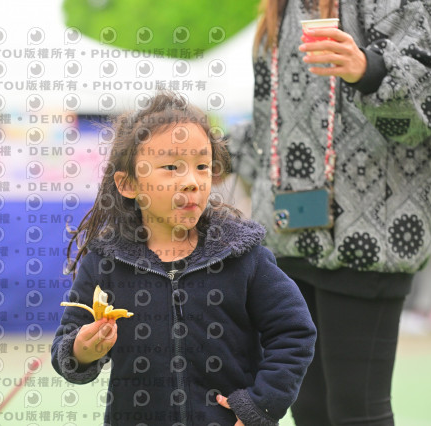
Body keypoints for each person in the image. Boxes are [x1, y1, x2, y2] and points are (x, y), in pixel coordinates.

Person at [51, 92, 317, 426]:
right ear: (129, 184)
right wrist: (82, 350)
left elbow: (294, 332)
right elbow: (66, 347)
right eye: (171, 167)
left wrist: (259, 406)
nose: (192, 181)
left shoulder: (243, 256)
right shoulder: (106, 262)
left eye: (202, 166)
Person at [229, 0, 431, 424]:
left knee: (356, 409)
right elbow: (268, 127)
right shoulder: (279, 9)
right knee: (309, 409)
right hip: (288, 235)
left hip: (371, 234)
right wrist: (203, 150)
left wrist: (368, 71)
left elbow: (425, 106)